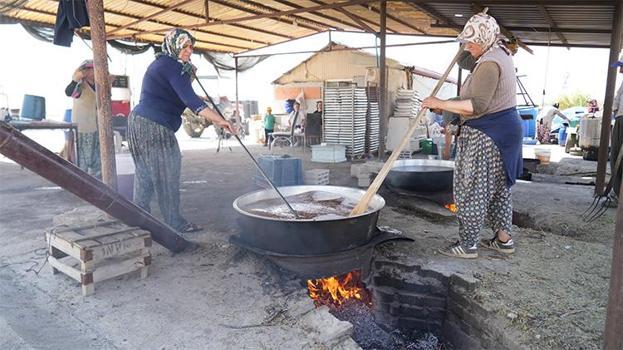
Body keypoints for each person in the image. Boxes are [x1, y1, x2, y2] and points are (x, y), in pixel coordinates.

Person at [421, 12, 523, 259]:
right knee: (499, 189)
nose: (466, 46)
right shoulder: (498, 52)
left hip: (487, 134)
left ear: (485, 39)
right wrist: (444, 105)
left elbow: (477, 106)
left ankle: (468, 245)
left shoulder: (489, 64)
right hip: (504, 132)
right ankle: (503, 240)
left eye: (470, 41)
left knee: (472, 188)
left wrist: (438, 101)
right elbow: (465, 61)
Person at [128, 28, 234, 234]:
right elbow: (191, 102)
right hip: (154, 126)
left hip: (138, 123)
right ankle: (173, 221)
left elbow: (182, 95)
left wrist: (188, 77)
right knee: (168, 170)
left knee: (145, 174)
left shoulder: (163, 64)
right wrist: (221, 121)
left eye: (191, 47)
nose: (188, 51)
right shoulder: (171, 66)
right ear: (173, 45)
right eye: (184, 46)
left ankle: (138, 218)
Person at [65, 59, 101, 178]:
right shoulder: (80, 85)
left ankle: (98, 183)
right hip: (83, 129)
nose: (94, 72)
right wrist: (75, 79)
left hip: (97, 127)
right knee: (83, 160)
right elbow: (69, 92)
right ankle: (82, 182)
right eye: (91, 69)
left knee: (97, 159)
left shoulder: (98, 85)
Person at [610, 50, 623, 205]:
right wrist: (615, 110)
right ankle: (617, 192)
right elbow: (617, 97)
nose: (620, 70)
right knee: (615, 157)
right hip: (620, 119)